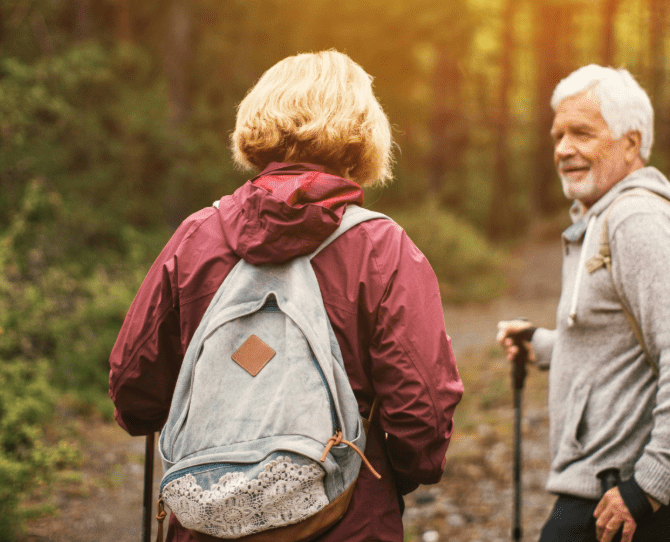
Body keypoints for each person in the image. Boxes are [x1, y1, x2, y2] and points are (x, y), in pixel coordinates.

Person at [109, 50, 463, 542]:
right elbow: (420, 417)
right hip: (346, 522)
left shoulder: (196, 237)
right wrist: (383, 474)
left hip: (207, 522)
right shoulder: (381, 247)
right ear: (364, 132)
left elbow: (134, 393)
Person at [497, 65, 670, 542]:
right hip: (605, 487)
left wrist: (648, 487)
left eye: (581, 133)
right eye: (557, 135)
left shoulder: (637, 220)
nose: (562, 149)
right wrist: (540, 344)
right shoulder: (602, 217)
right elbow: (620, 347)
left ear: (631, 143)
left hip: (626, 498)